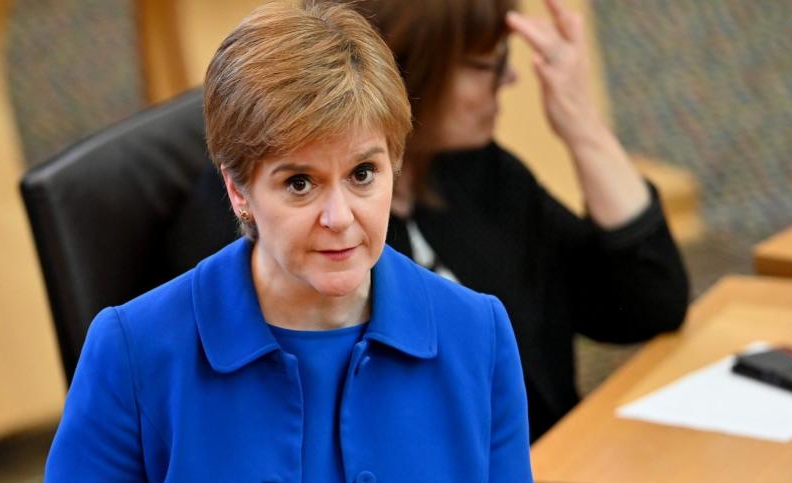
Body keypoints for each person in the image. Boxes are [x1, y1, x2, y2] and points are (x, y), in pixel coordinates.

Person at [7, 1, 557, 483]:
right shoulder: (137, 348)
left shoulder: (473, 333)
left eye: (363, 174)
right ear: (238, 191)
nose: (341, 217)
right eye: (299, 184)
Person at [166, 0, 689, 441]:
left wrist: (583, 127)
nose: (507, 78)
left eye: (365, 174)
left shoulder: (476, 174)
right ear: (414, 72)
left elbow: (646, 303)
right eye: (488, 63)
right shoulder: (282, 234)